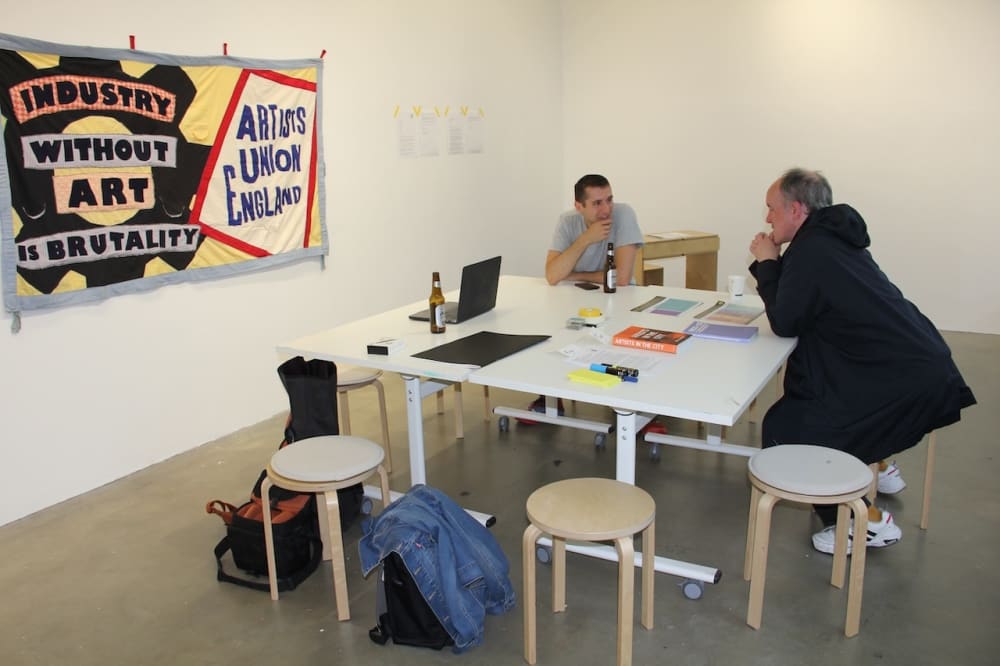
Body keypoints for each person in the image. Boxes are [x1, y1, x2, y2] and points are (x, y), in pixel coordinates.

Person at [748, 168, 976, 555]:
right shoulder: (827, 240)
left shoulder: (814, 249)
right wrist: (775, 264)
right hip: (913, 364)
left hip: (900, 378)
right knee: (818, 407)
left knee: (787, 430)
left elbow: (786, 320)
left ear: (797, 210)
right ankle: (879, 465)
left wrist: (768, 263)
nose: (767, 218)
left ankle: (861, 524)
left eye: (772, 209)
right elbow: (803, 297)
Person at [545, 174, 644, 286]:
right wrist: (586, 239)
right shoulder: (567, 221)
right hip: (578, 296)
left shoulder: (624, 214)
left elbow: (621, 278)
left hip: (619, 296)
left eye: (609, 200)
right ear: (579, 207)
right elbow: (552, 276)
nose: (606, 210)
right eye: (597, 203)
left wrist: (575, 276)